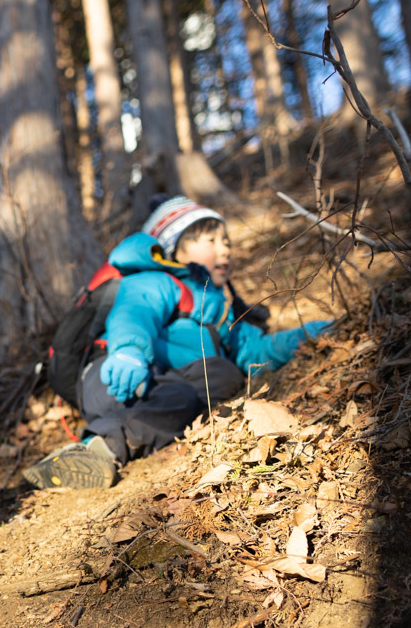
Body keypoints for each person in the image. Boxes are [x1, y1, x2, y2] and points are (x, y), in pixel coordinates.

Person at [24, 194, 332, 490]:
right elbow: (134, 312)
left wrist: (311, 333)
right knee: (202, 381)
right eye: (210, 241)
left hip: (168, 390)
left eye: (226, 242)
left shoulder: (223, 312)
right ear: (175, 249)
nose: (224, 250)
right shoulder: (159, 281)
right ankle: (94, 451)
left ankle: (108, 446)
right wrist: (129, 351)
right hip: (113, 374)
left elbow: (257, 350)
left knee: (223, 373)